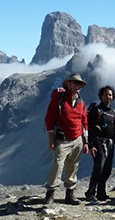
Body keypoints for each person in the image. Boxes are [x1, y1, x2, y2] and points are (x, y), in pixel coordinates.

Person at [44, 73, 89, 205]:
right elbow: (49, 119)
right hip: (62, 139)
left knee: (73, 166)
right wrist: (51, 140)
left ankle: (70, 194)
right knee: (58, 165)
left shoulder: (81, 102)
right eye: (75, 83)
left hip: (77, 139)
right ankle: (50, 194)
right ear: (68, 84)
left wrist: (85, 141)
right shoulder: (59, 98)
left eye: (79, 84)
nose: (77, 86)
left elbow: (84, 122)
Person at [85, 86, 115, 202]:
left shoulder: (113, 112)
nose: (108, 97)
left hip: (110, 142)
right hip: (98, 141)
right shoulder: (96, 110)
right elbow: (89, 128)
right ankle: (91, 191)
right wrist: (90, 145)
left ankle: (101, 192)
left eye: (110, 95)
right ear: (101, 96)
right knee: (99, 166)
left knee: (107, 168)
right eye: (106, 95)